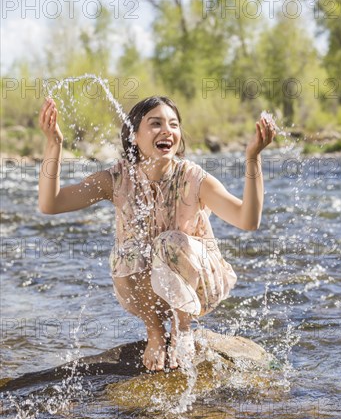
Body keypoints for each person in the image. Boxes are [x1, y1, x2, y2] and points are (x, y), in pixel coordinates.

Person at [38, 95, 275, 372]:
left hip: (199, 284)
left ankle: (182, 328)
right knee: (127, 249)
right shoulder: (116, 179)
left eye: (173, 125)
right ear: (134, 136)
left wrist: (253, 157)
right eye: (156, 124)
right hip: (148, 293)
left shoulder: (194, 178)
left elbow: (248, 220)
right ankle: (155, 331)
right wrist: (54, 143)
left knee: (167, 242)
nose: (167, 131)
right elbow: (50, 204)